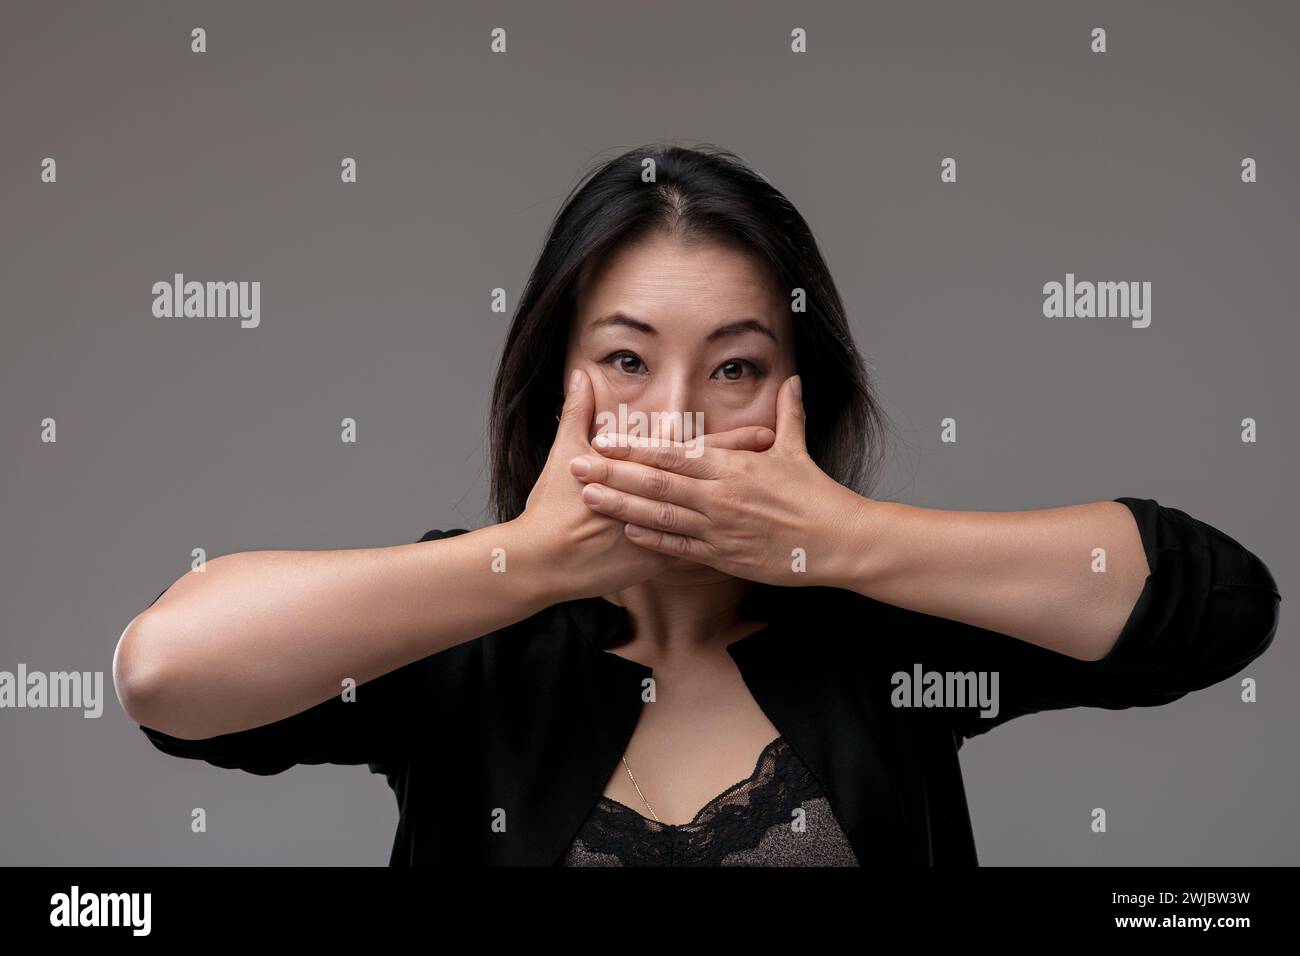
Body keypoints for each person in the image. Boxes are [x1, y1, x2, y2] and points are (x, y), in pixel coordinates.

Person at [113, 143, 1281, 866]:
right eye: (626, 360)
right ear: (552, 379)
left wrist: (845, 542)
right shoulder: (465, 637)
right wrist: (531, 561)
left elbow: (1218, 600)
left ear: (794, 393)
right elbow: (165, 673)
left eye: (731, 367)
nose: (675, 416)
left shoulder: (882, 622)